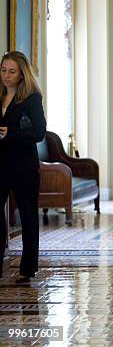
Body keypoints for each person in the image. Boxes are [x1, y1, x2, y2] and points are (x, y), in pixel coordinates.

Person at [0, 51, 46, 283]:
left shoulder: (31, 98)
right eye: (3, 70)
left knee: (28, 216)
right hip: (1, 165)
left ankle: (28, 268)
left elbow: (38, 132)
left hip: (24, 166)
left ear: (21, 74)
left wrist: (12, 133)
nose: (6, 76)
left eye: (11, 72)